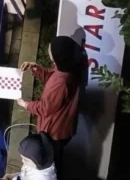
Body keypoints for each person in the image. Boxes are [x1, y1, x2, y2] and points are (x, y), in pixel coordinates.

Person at [18, 36, 83, 178]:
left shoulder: (62, 82)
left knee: (51, 161)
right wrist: (35, 68)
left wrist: (26, 105)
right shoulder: (66, 66)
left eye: (51, 49)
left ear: (59, 55)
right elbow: (51, 77)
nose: (49, 50)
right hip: (57, 127)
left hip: (55, 131)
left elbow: (45, 108)